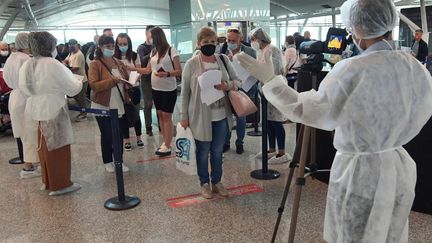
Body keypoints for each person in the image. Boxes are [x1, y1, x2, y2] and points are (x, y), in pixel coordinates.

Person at [237, 0, 432, 242]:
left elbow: (308, 110)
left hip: (359, 174)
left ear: (358, 29)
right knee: (391, 234)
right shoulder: (415, 68)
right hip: (399, 168)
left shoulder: (352, 69)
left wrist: (270, 81)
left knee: (353, 235)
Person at [19, 31, 82, 196]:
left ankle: (47, 181)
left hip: (34, 109)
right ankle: (61, 184)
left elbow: (24, 88)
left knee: (43, 149)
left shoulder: (27, 64)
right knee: (58, 148)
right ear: (49, 46)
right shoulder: (52, 64)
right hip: (53, 109)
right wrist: (78, 81)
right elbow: (72, 88)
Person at [180, 27, 237, 199]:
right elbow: (184, 93)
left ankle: (217, 181)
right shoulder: (191, 64)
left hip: (221, 114)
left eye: (213, 42)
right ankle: (204, 183)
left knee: (218, 151)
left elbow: (236, 81)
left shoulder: (223, 59)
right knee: (203, 151)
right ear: (199, 43)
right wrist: (184, 117)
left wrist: (226, 85)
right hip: (200, 116)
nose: (210, 45)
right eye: (206, 42)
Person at [88, 35, 131, 173]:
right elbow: (94, 85)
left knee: (119, 135)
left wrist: (130, 82)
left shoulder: (118, 62)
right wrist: (113, 81)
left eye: (113, 46)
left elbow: (126, 78)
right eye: (108, 47)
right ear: (100, 47)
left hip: (118, 103)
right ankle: (107, 161)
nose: (111, 49)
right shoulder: (95, 64)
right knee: (107, 135)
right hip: (103, 105)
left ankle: (119, 160)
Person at [249, 28, 292, 164]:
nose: (252, 42)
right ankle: (271, 148)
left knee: (276, 121)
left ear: (260, 39)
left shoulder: (271, 49)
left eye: (253, 39)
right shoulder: (260, 51)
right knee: (267, 121)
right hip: (265, 89)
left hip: (274, 88)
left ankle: (282, 151)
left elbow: (275, 69)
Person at [3, 32, 41, 179]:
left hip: (14, 96)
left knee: (22, 133)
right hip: (25, 97)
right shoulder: (26, 59)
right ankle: (29, 166)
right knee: (29, 134)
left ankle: (29, 164)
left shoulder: (10, 58)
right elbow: (32, 81)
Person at [219, 28, 256, 154]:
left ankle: (240, 142)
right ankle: (226, 142)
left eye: (233, 40)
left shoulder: (250, 51)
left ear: (240, 39)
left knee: (241, 117)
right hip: (228, 88)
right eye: (228, 40)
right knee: (227, 116)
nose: (230, 42)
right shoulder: (223, 51)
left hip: (244, 88)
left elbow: (256, 70)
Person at [147, 27, 182, 156]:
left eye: (150, 37)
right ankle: (164, 141)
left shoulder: (171, 51)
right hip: (156, 89)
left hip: (168, 89)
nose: (149, 39)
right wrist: (131, 68)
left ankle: (168, 145)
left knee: (167, 116)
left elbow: (179, 71)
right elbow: (147, 70)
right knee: (160, 115)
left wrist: (166, 74)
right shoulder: (153, 52)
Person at [114, 33, 144, 151]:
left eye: (125, 44)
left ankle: (139, 137)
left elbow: (139, 71)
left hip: (134, 88)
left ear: (129, 44)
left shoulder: (134, 56)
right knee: (124, 115)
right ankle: (126, 140)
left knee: (136, 114)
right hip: (120, 90)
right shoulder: (114, 58)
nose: (122, 46)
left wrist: (132, 81)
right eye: (120, 44)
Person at [64, 39, 89, 122]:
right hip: (75, 79)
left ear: (77, 45)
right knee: (77, 97)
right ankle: (82, 112)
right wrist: (65, 63)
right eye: (70, 47)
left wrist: (65, 69)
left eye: (73, 46)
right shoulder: (71, 53)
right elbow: (66, 60)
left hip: (81, 80)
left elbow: (75, 68)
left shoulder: (79, 55)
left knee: (82, 98)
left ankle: (84, 115)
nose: (71, 48)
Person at [137, 25, 155, 136]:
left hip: (158, 78)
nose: (152, 35)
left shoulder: (158, 46)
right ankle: (148, 126)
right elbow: (142, 62)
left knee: (159, 103)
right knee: (148, 103)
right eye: (151, 33)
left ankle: (162, 125)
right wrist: (152, 53)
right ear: (146, 34)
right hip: (146, 80)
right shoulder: (141, 47)